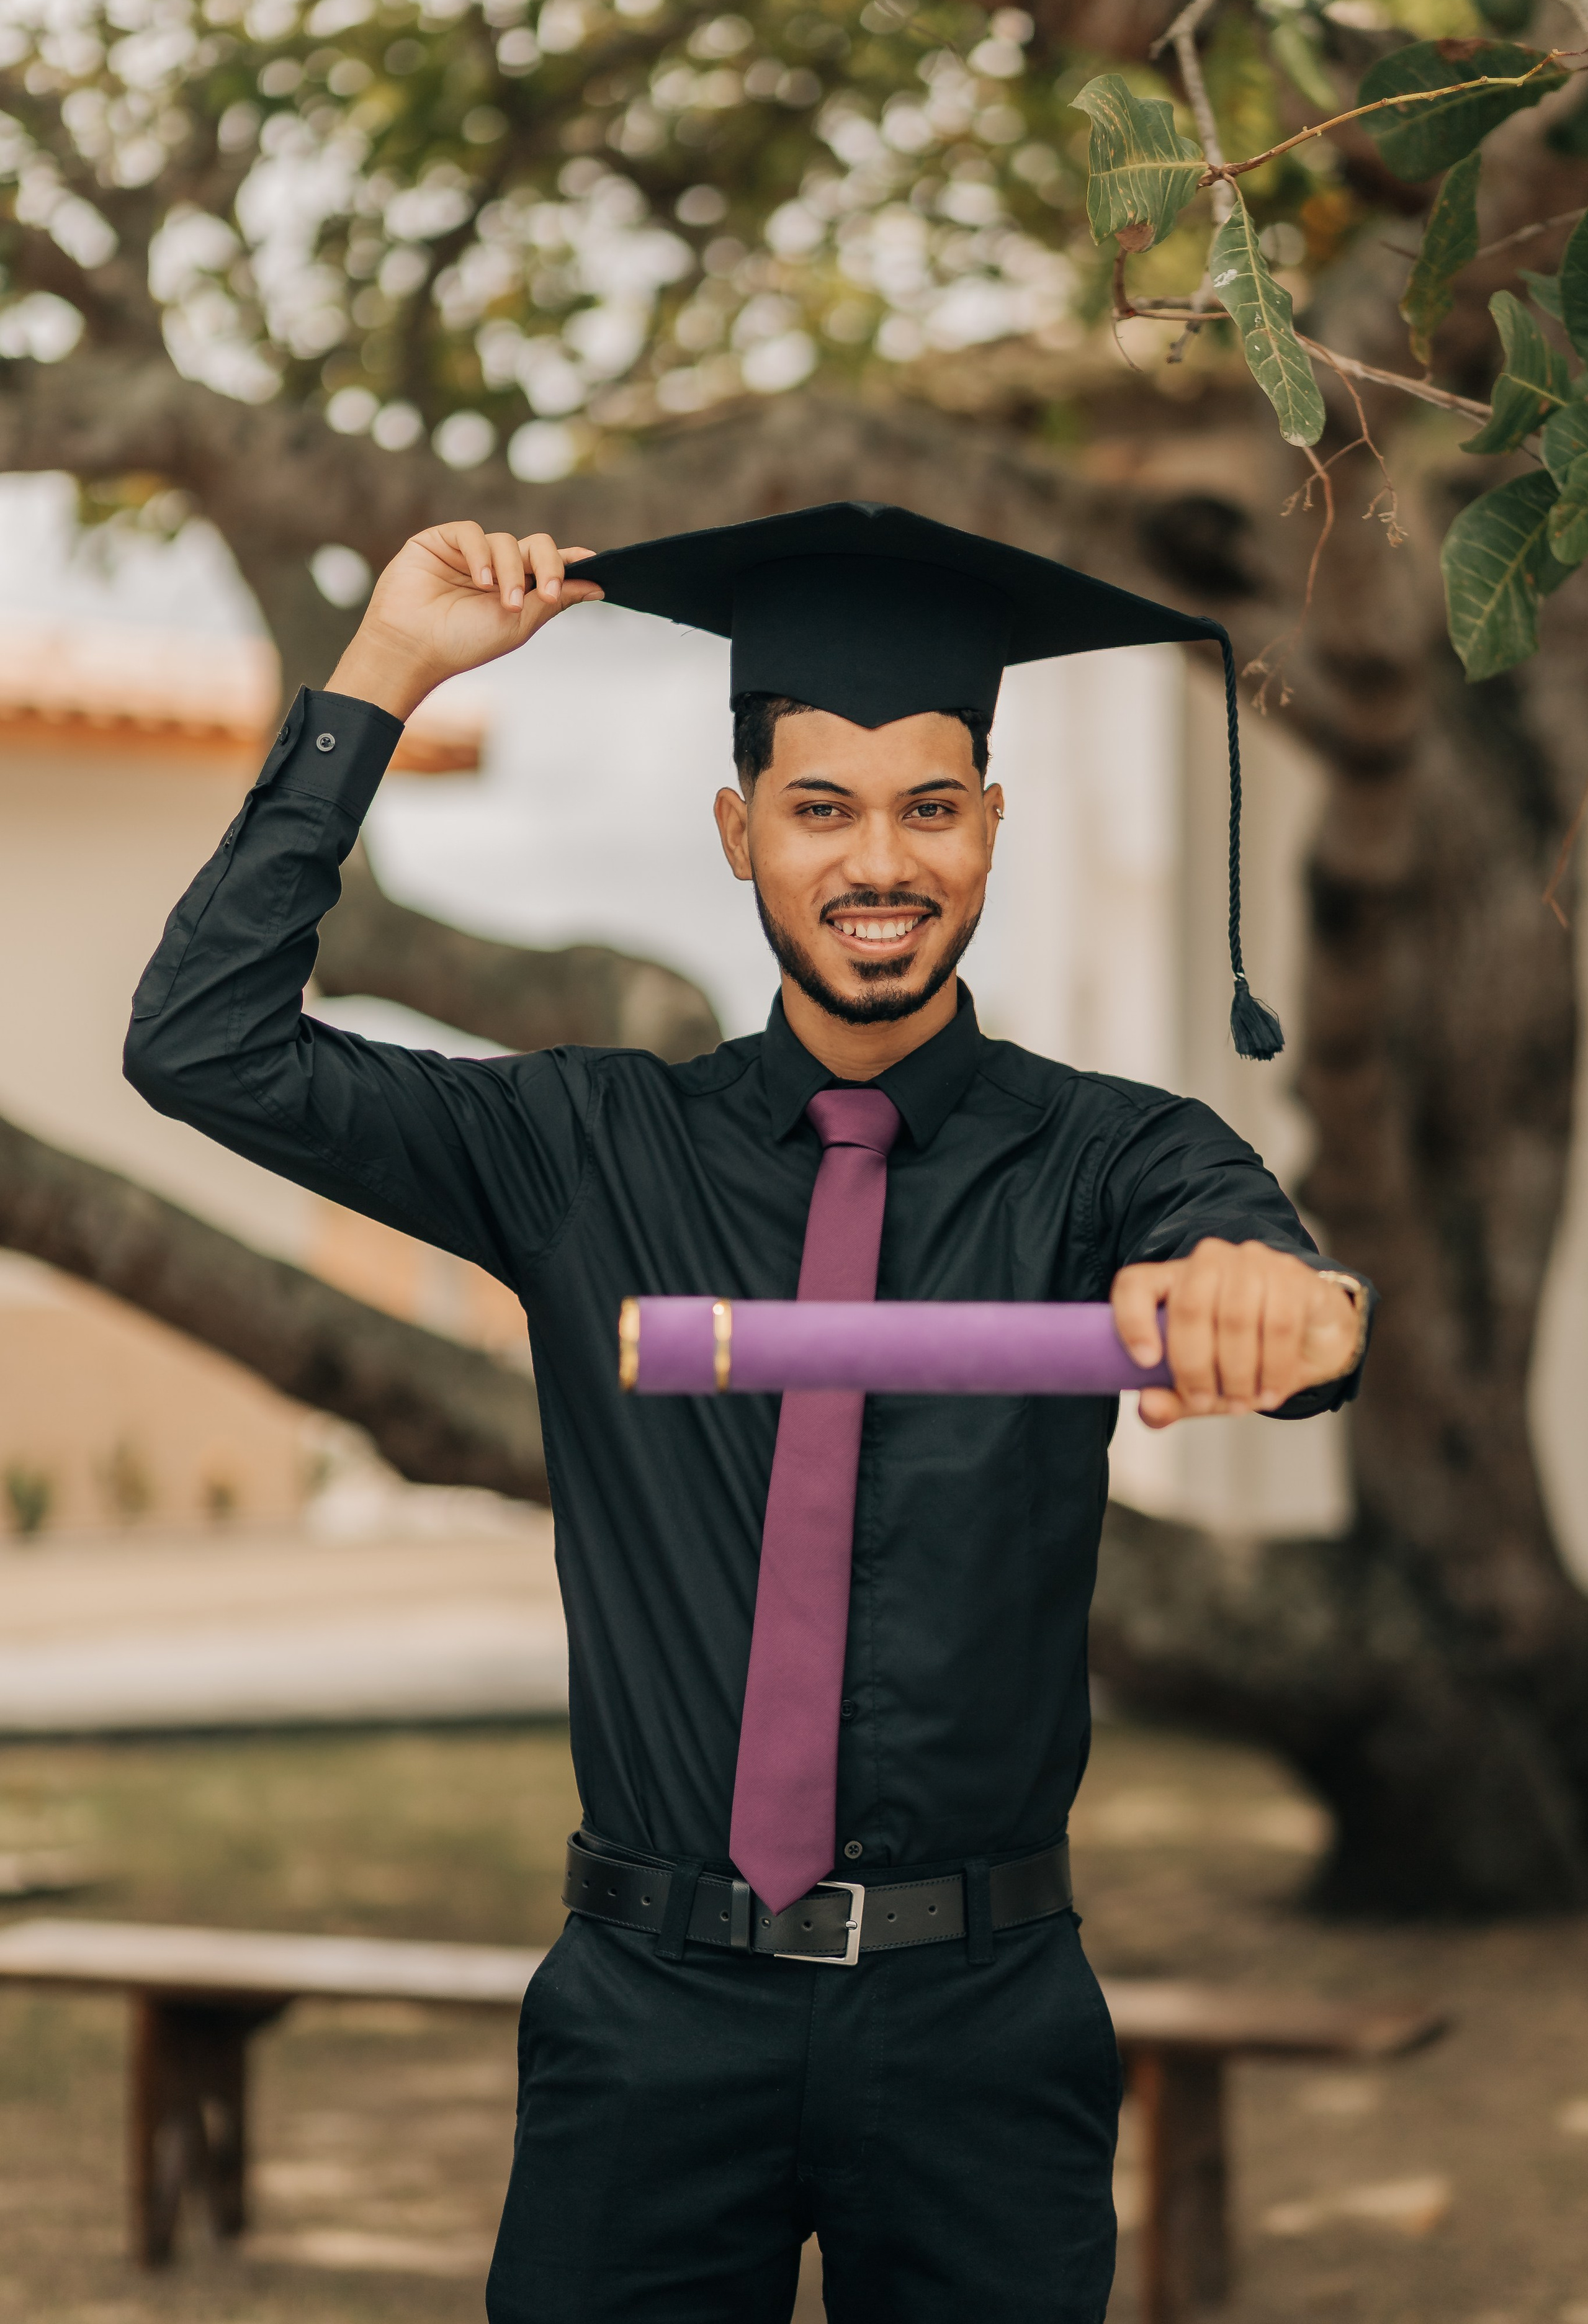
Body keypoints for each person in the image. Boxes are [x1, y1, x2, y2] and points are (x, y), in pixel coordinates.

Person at [125, 502, 1372, 2324]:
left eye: (932, 806)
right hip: (649, 2015)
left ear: (991, 826)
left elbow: (1285, 1292)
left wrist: (1269, 1300)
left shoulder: (1116, 1156)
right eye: (824, 807)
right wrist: (383, 670)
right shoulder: (579, 1150)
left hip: (983, 2024)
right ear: (739, 831)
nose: (885, 860)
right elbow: (202, 1044)